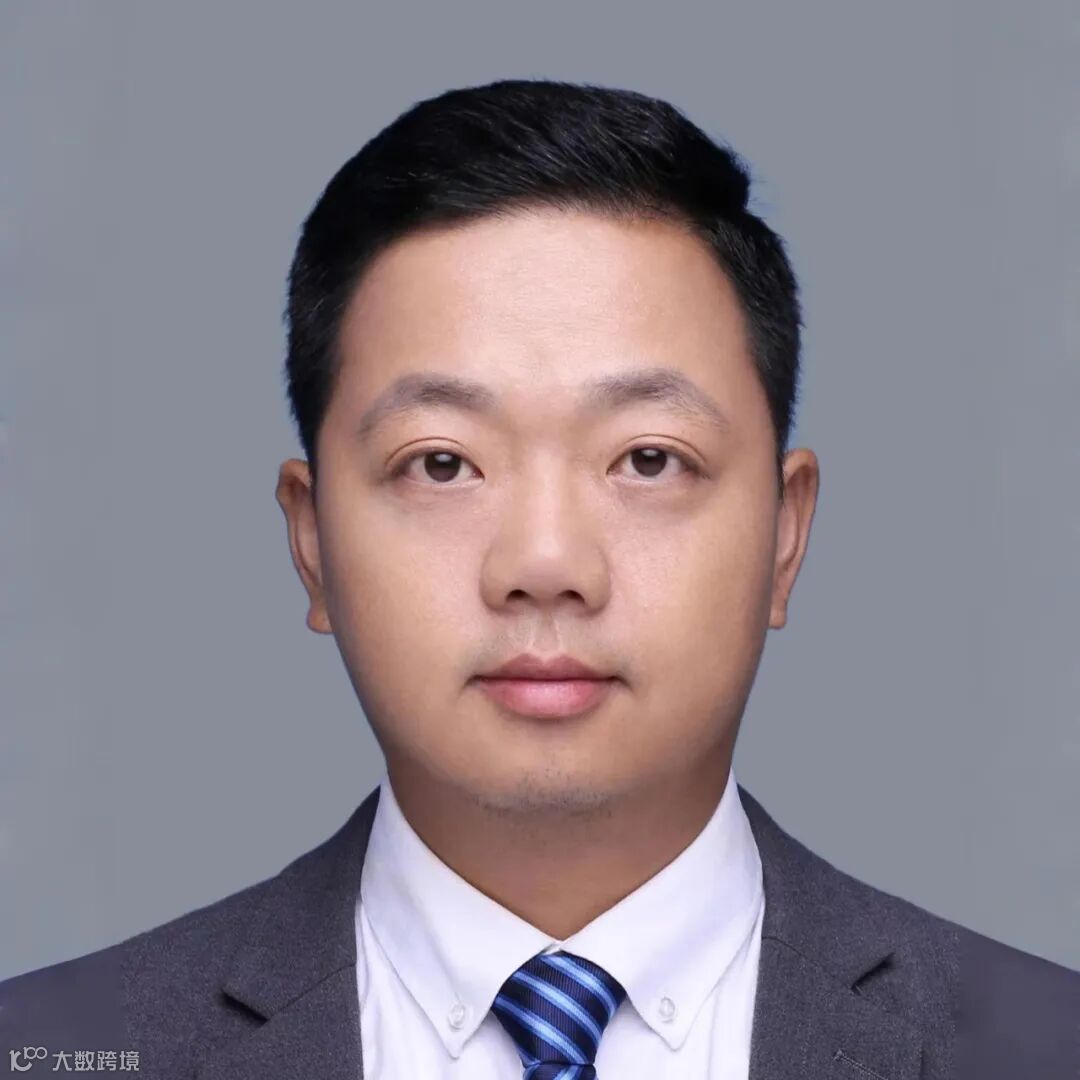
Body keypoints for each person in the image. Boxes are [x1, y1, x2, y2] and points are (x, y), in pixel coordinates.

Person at [2, 78, 1077, 1080]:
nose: (546, 566)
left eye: (648, 459)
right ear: (312, 538)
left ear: (784, 535)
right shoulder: (54, 1050)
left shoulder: (1042, 1048)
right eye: (441, 464)